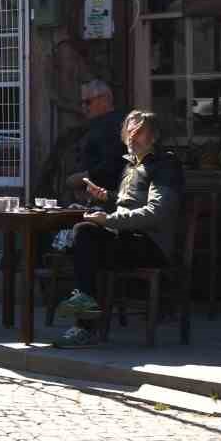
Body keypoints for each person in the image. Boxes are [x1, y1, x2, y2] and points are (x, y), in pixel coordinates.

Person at [53, 110, 184, 348]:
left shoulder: (164, 165)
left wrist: (109, 221)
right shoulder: (130, 165)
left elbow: (156, 213)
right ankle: (85, 309)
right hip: (126, 237)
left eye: (139, 132)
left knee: (84, 237)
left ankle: (85, 324)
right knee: (79, 235)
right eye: (128, 132)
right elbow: (128, 203)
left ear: (153, 136)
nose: (132, 137)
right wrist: (107, 197)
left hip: (151, 244)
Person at [66, 79, 125, 209]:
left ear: (105, 100)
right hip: (90, 200)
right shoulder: (96, 124)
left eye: (88, 102)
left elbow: (114, 164)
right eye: (81, 103)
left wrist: (82, 178)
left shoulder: (114, 125)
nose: (84, 108)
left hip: (107, 203)